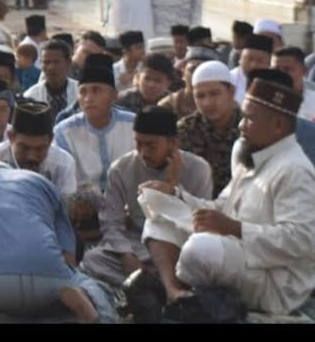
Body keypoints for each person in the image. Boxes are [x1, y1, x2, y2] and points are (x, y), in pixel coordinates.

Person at [140, 75, 315, 317]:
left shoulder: (294, 169)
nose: (241, 125)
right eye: (242, 116)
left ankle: (173, 290)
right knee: (159, 213)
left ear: (277, 125)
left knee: (200, 250)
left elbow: (303, 240)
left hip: (275, 279)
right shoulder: (252, 156)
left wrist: (234, 228)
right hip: (236, 249)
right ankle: (174, 293)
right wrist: (176, 195)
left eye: (250, 118)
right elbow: (222, 206)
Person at [0, 163, 114, 324]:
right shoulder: (40, 182)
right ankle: (92, 313)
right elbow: (69, 258)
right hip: (43, 278)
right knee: (85, 285)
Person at [80, 107, 212, 287]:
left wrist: (172, 186)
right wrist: (126, 255)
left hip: (180, 245)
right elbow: (111, 223)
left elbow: (199, 223)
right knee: (93, 259)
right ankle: (158, 285)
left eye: (151, 145)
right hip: (137, 245)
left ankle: (150, 285)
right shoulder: (121, 169)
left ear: (172, 143)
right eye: (138, 143)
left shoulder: (198, 169)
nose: (143, 152)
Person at [53, 53, 136, 192]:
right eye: (83, 92)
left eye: (96, 90)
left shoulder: (133, 125)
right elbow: (64, 180)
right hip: (82, 201)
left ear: (114, 96)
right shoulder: (64, 132)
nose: (88, 98)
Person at [0, 100, 77, 196]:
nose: (31, 157)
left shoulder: (63, 164)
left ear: (50, 140)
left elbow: (66, 206)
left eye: (39, 149)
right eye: (24, 148)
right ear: (11, 137)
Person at [175, 60, 241, 197]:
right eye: (200, 96)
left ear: (231, 91)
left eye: (214, 94)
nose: (207, 103)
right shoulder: (185, 130)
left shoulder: (250, 127)